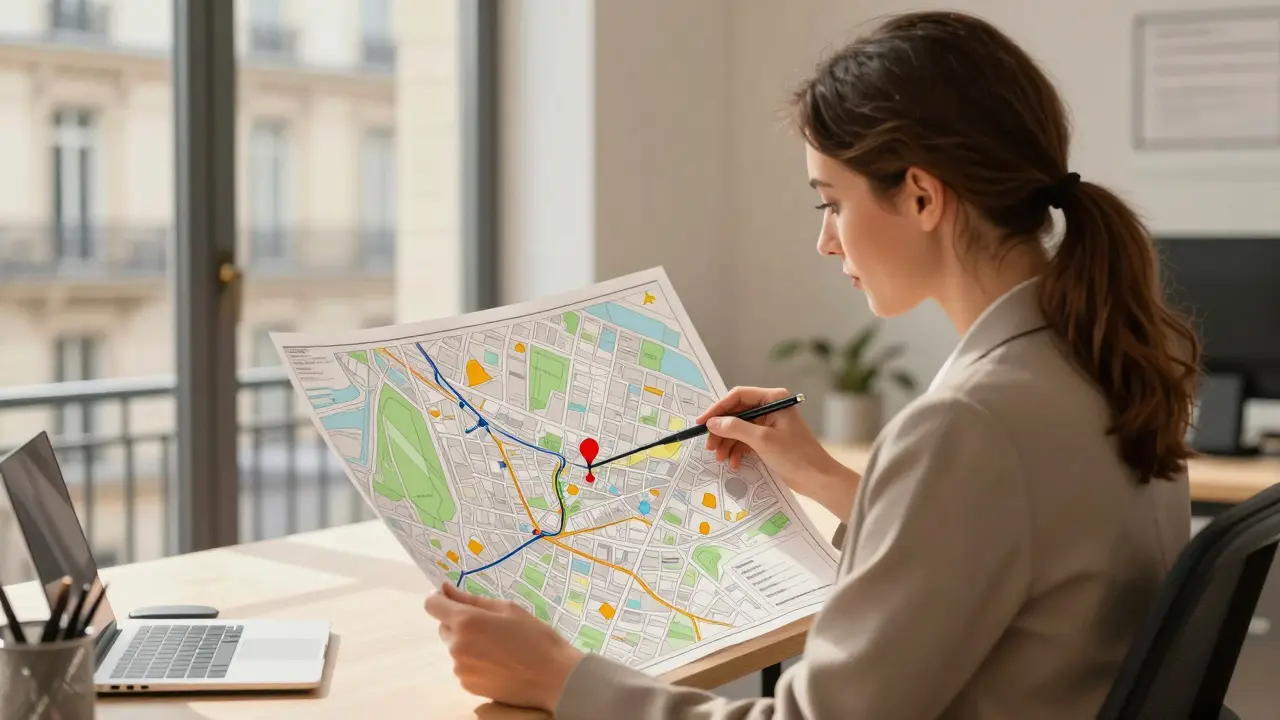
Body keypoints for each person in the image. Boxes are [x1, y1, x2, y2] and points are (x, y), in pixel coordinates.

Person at [424, 10, 1201, 719]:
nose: (826, 241)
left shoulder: (971, 424)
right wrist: (828, 480)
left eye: (831, 202)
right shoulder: (1100, 361)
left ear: (923, 197)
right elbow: (1014, 548)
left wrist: (564, 679)